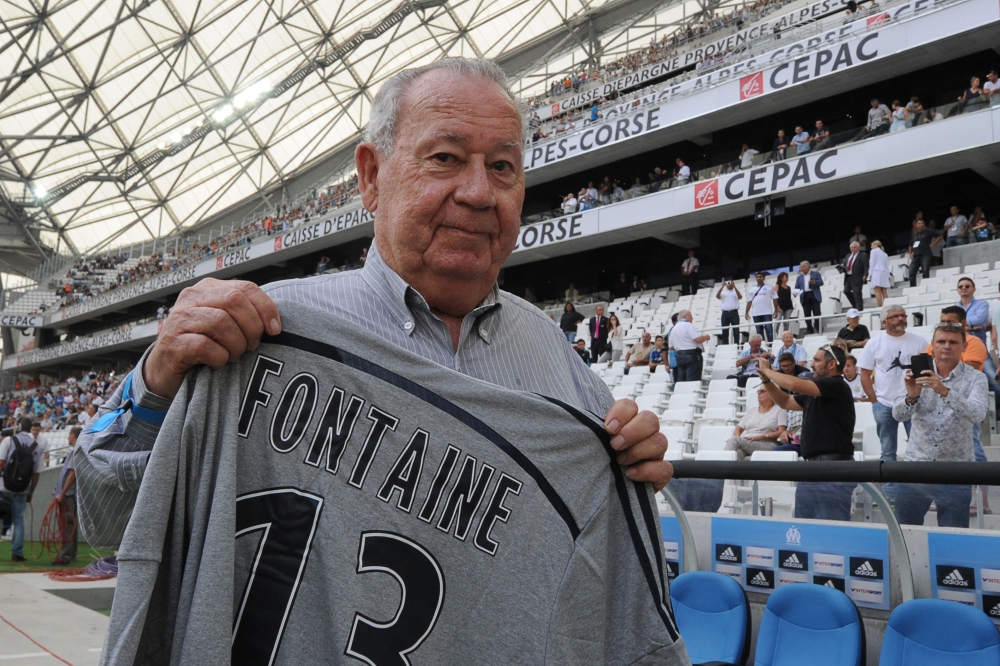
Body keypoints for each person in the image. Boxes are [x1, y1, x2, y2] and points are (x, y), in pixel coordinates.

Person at [76, 58, 683, 665]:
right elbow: (101, 523)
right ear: (371, 176)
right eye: (444, 158)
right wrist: (156, 383)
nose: (477, 192)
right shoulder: (260, 331)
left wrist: (625, 474)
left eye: (502, 166)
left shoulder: (563, 372)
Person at [893, 322, 987, 528]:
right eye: (941, 341)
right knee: (903, 532)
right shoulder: (915, 374)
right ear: (932, 346)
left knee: (952, 538)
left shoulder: (977, 378)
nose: (947, 346)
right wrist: (911, 396)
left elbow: (978, 415)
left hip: (955, 469)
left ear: (963, 347)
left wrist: (945, 391)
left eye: (953, 342)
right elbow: (898, 415)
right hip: (916, 466)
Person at [757, 346, 856, 520]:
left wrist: (768, 370)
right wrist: (766, 380)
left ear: (832, 364)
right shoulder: (817, 392)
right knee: (806, 530)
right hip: (811, 468)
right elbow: (785, 401)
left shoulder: (836, 385)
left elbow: (794, 384)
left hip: (833, 470)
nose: (812, 364)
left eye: (817, 360)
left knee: (831, 533)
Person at [858, 304, 928, 500]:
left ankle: (918, 494)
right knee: (887, 452)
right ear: (884, 321)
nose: (900, 319)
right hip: (884, 403)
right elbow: (864, 374)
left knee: (918, 451)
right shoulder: (874, 343)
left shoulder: (919, 342)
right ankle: (891, 496)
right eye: (895, 316)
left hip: (913, 403)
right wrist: (874, 401)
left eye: (903, 315)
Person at [0, 419, 44, 562]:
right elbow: (37, 473)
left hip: (4, 486)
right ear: (30, 428)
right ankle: (17, 553)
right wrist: (31, 491)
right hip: (22, 489)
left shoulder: (9, 440)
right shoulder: (36, 446)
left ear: (18, 427)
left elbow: (1, 462)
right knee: (19, 520)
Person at [723, 386, 788, 459]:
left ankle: (718, 468)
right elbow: (738, 429)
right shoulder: (752, 410)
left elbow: (781, 432)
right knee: (737, 452)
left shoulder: (780, 410)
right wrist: (741, 440)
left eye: (762, 391)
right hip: (748, 442)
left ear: (772, 393)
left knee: (734, 440)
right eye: (758, 391)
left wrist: (763, 436)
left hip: (767, 443)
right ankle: (727, 470)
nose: (759, 393)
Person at [51, 426, 82, 565]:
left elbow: (72, 474)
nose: (68, 437)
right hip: (68, 495)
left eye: (69, 434)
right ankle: (71, 553)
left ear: (73, 435)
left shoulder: (75, 452)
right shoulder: (75, 452)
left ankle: (65, 556)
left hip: (68, 495)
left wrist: (62, 493)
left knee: (68, 525)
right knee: (70, 524)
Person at [671, 310, 710, 382]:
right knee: (692, 380)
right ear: (685, 316)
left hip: (679, 355)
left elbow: (671, 347)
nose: (692, 318)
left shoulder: (673, 329)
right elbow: (697, 339)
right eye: (690, 316)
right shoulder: (688, 325)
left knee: (682, 381)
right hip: (692, 355)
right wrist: (706, 337)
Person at [956, 277, 991, 345]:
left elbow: (978, 320)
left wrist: (960, 323)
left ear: (974, 289)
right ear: (957, 290)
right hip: (961, 345)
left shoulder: (982, 303)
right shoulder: (955, 308)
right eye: (960, 286)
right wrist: (972, 327)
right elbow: (953, 324)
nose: (963, 288)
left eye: (967, 286)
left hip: (978, 344)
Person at [745, 272, 778, 342]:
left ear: (764, 278)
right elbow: (749, 301)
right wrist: (746, 312)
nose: (759, 278)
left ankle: (771, 345)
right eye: (757, 277)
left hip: (767, 312)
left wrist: (776, 310)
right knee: (759, 330)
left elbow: (775, 298)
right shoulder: (752, 289)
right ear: (755, 278)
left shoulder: (770, 287)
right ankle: (762, 346)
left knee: (769, 329)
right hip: (756, 313)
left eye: (760, 276)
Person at [908, 218, 941, 286]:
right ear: (916, 225)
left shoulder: (928, 231)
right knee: (911, 271)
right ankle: (912, 287)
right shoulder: (914, 234)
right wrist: (910, 253)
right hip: (916, 255)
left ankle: (926, 286)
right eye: (919, 223)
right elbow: (910, 245)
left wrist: (933, 244)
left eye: (922, 223)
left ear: (924, 224)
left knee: (925, 270)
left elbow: (939, 236)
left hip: (925, 254)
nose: (921, 225)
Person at [793, 261, 823, 335]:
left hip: (814, 294)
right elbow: (796, 287)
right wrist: (795, 293)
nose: (802, 268)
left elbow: (821, 282)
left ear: (808, 267)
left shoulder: (816, 274)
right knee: (807, 313)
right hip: (804, 296)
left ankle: (818, 327)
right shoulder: (799, 277)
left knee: (817, 312)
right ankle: (809, 329)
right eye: (801, 267)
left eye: (803, 267)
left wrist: (814, 282)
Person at [842, 241, 868, 309]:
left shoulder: (863, 255)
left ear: (858, 248)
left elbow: (866, 266)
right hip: (848, 277)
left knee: (857, 294)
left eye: (854, 247)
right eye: (851, 248)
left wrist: (865, 275)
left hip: (857, 277)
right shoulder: (848, 256)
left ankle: (859, 309)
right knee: (846, 291)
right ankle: (855, 305)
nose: (853, 249)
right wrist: (841, 269)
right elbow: (845, 266)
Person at [716, 278, 742, 344]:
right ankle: (725, 346)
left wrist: (735, 287)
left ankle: (737, 345)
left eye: (730, 283)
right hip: (725, 313)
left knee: (736, 331)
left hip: (734, 312)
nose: (729, 284)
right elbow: (717, 296)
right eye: (728, 283)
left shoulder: (735, 292)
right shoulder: (724, 293)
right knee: (724, 331)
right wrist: (722, 286)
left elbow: (740, 297)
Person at [867, 240, 890, 306]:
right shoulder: (885, 254)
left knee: (878, 290)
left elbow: (872, 263)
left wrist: (870, 273)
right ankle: (887, 305)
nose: (871, 247)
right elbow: (886, 266)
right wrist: (888, 276)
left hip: (877, 271)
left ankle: (880, 306)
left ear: (876, 245)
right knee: (884, 291)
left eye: (872, 245)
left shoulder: (873, 251)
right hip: (884, 272)